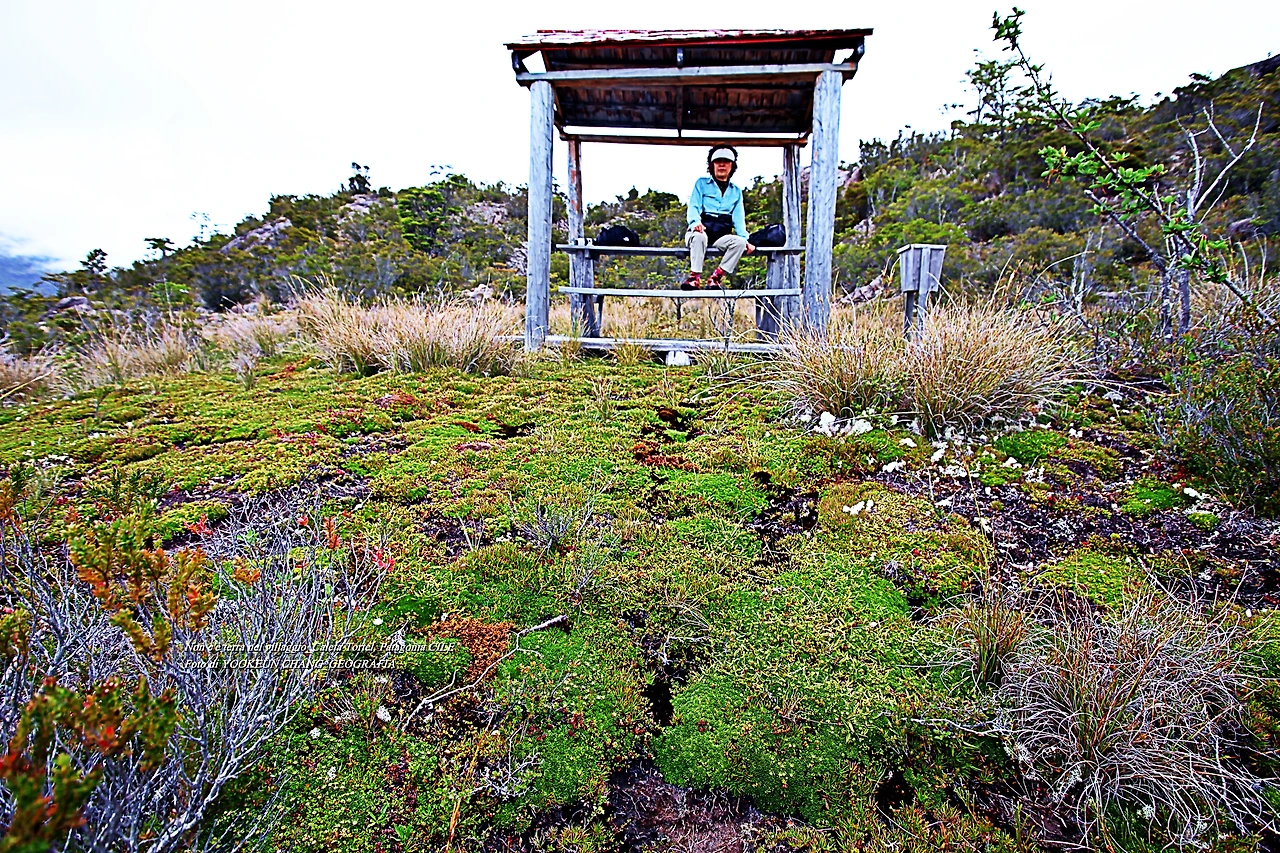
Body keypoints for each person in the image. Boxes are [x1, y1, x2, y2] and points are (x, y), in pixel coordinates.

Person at [682, 146, 755, 289]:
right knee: (699, 236)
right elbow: (694, 207)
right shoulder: (701, 183)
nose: (722, 165)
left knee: (740, 243)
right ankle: (694, 278)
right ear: (712, 165)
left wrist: (745, 240)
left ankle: (716, 278)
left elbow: (739, 218)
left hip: (720, 235)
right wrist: (695, 223)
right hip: (701, 231)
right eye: (718, 161)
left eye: (726, 161)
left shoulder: (736, 191)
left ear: (732, 166)